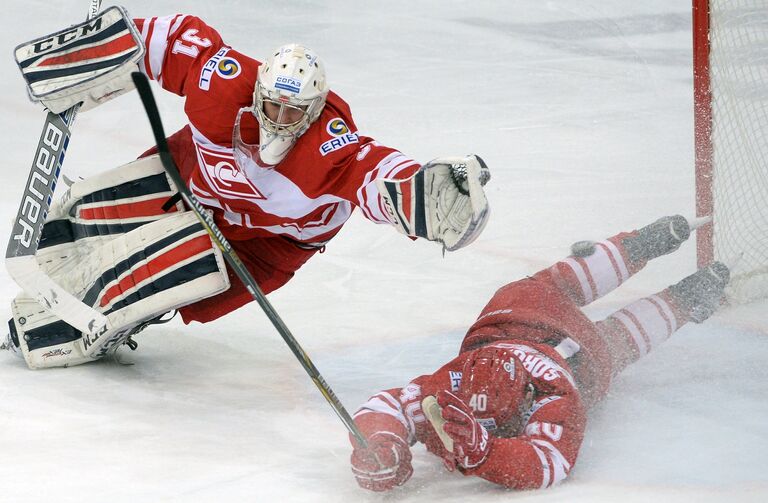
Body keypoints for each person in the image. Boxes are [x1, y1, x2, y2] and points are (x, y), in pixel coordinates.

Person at [5, 9, 490, 368]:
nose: (279, 121)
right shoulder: (226, 84)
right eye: (272, 105)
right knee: (77, 223)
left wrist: (425, 194)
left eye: (294, 112)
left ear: (316, 110)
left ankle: (89, 322)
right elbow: (174, 42)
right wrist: (103, 51)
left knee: (179, 267)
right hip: (193, 176)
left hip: (267, 243)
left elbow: (377, 173)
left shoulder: (328, 149)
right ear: (257, 91)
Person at [348, 215, 730, 491]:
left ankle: (681, 296)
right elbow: (384, 409)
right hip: (518, 310)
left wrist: (486, 454)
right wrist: (381, 443)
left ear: (527, 399)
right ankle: (642, 246)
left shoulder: (553, 393)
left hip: (565, 343)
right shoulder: (448, 389)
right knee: (563, 284)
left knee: (614, 344)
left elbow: (549, 463)